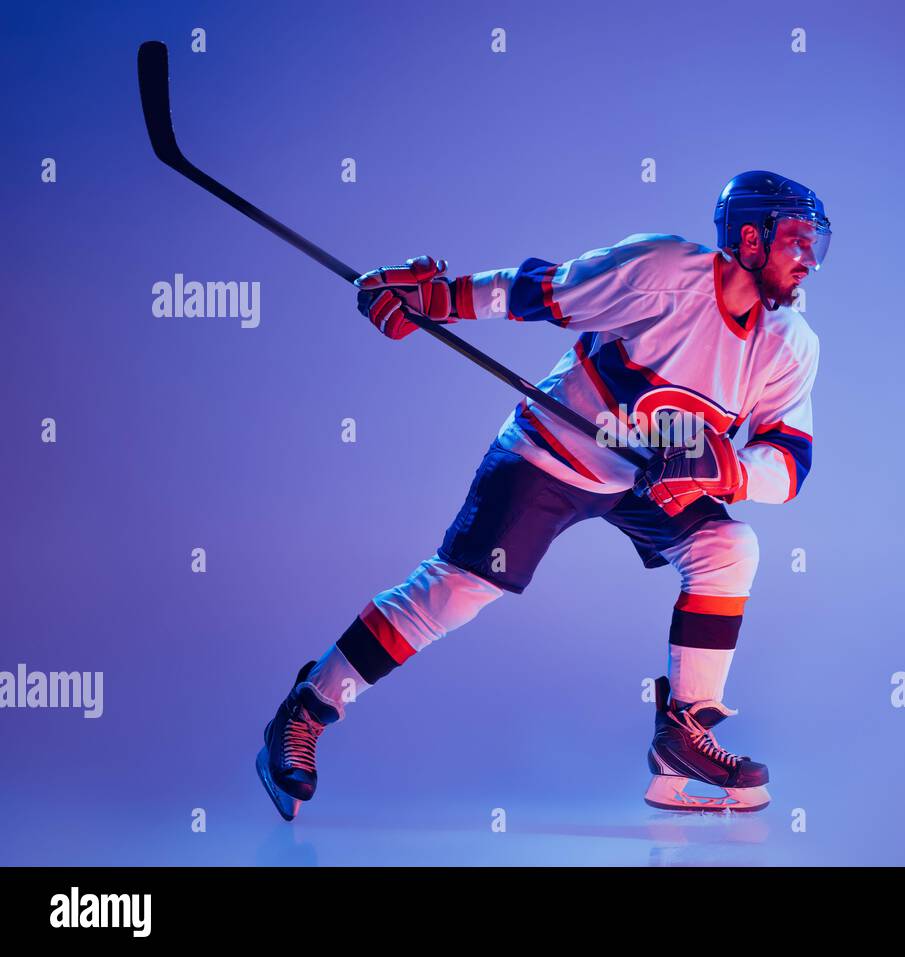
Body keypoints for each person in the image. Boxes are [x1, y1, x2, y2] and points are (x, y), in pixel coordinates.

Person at [256, 171, 830, 818]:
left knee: (729, 546)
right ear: (749, 239)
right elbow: (544, 291)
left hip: (644, 478)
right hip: (552, 451)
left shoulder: (789, 343)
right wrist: (439, 298)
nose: (808, 260)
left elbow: (790, 461)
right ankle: (307, 707)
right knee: (458, 590)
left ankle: (683, 733)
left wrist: (727, 471)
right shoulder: (664, 269)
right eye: (796, 241)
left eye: (815, 245)